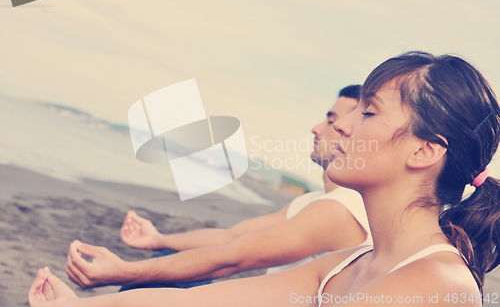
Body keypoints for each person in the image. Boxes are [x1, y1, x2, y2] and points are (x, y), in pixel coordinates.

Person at [29, 51, 500, 307]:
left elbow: (233, 258)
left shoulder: (437, 288)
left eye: (369, 111)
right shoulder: (351, 262)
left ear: (424, 150)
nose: (342, 125)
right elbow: (208, 299)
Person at [63, 85, 371, 290]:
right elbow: (230, 237)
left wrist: (123, 271)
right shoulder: (316, 201)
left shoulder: (339, 211)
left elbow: (233, 257)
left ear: (351, 132)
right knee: (172, 258)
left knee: (162, 282)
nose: (316, 128)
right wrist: (158, 238)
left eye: (331, 120)